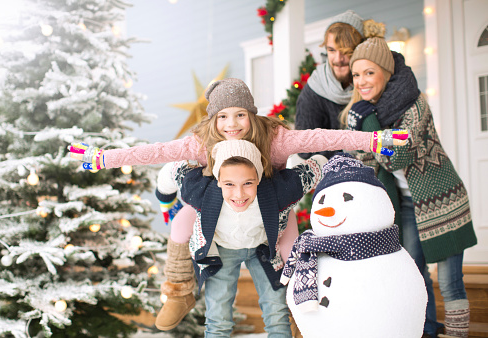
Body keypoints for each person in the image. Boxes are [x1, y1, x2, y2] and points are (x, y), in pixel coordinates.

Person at [68, 78, 408, 330]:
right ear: (213, 120)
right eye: (223, 117)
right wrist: (103, 158)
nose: (232, 125)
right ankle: (179, 290)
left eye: (240, 115)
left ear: (251, 114)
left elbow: (324, 136)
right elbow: (154, 152)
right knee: (216, 309)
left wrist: (373, 139)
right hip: (222, 234)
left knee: (277, 308)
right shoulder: (203, 143)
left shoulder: (274, 140)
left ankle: (324, 308)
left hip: (268, 230)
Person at [340, 20, 477, 338]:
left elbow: (396, 156)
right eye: (357, 74)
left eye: (369, 73)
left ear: (385, 73)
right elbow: (364, 160)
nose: (361, 81)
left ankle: (458, 335)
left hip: (443, 202)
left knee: (449, 281)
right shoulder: (360, 114)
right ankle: (427, 331)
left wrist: (369, 124)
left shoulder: (415, 106)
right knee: (415, 274)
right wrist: (363, 133)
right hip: (407, 208)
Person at [159, 139, 325, 337]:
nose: (239, 194)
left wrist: (341, 163)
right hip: (222, 250)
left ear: (259, 178)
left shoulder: (279, 189)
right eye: (229, 184)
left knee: (277, 313)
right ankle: (179, 295)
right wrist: (164, 197)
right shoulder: (199, 189)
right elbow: (171, 171)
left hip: (263, 249)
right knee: (217, 317)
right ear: (218, 180)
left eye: (248, 183)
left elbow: (318, 166)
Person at [294, 10, 419, 160]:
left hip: (389, 166)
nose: (338, 59)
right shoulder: (315, 90)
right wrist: (354, 139)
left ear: (360, 47)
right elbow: (305, 148)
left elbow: (406, 88)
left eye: (345, 51)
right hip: (339, 174)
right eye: (331, 50)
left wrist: (367, 118)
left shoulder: (378, 66)